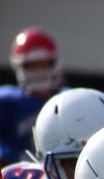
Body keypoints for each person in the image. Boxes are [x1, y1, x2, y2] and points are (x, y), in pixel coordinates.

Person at [0, 27, 64, 167]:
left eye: (45, 64)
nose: (40, 72)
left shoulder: (67, 100)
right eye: (32, 66)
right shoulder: (8, 102)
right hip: (14, 177)